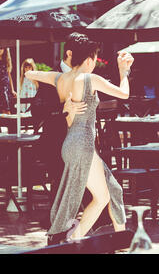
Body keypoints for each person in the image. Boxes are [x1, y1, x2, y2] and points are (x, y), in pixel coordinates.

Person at [26, 33, 134, 243]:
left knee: (114, 189)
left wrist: (64, 105)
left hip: (70, 145)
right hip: (82, 144)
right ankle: (72, 240)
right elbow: (124, 93)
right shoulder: (88, 78)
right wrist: (124, 71)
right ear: (88, 60)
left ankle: (120, 237)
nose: (95, 63)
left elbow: (31, 74)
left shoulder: (60, 78)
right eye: (94, 58)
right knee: (101, 197)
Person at [0, 47, 16, 114]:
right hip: (1, 88)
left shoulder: (5, 61)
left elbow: (9, 75)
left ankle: (8, 122)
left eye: (1, 48)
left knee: (6, 109)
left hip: (6, 88)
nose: (0, 50)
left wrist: (12, 90)